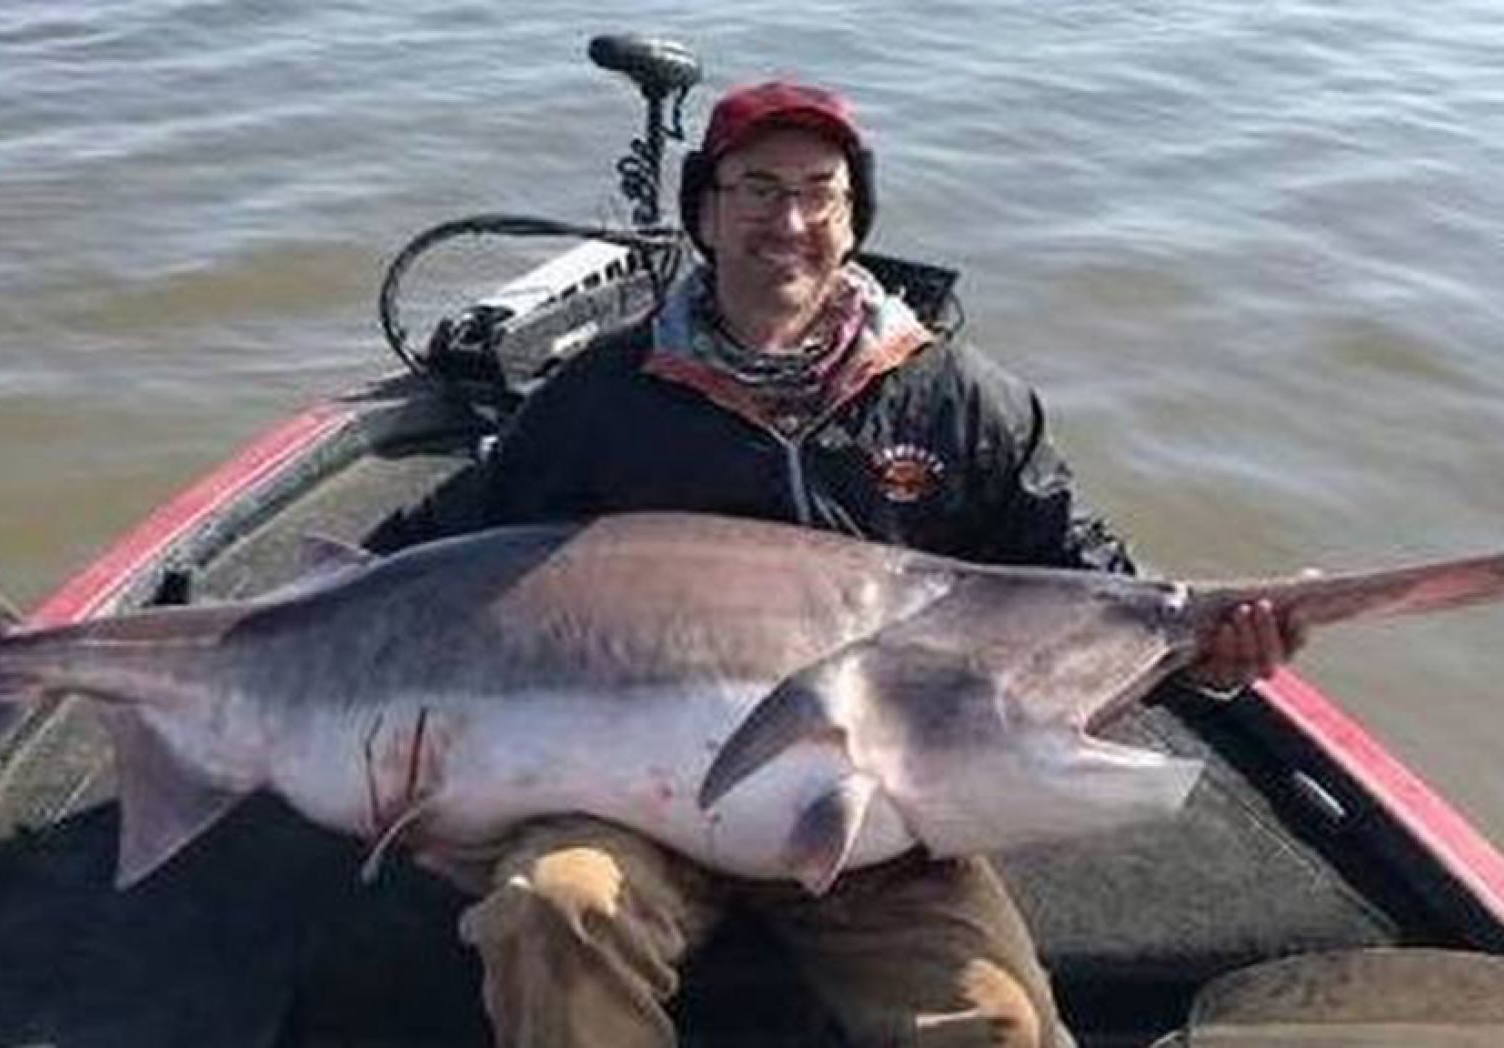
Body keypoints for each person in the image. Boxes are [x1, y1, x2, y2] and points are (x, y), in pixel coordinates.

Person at [370, 80, 1302, 1048]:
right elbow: (431, 549)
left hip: (880, 814)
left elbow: (1087, 583)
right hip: (627, 797)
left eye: (819, 192)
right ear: (705, 211)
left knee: (1000, 1022)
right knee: (553, 907)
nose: (790, 220)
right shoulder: (602, 394)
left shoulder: (952, 398)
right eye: (757, 189)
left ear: (853, 217)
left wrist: (1207, 659)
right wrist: (305, 634)